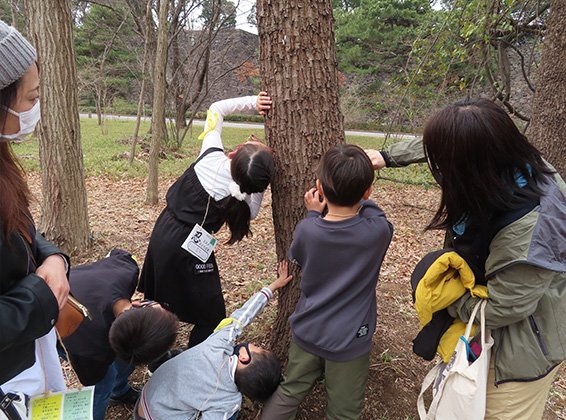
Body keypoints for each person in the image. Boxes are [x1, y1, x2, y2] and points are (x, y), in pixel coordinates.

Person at [375, 99, 566, 419]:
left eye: (445, 165)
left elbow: (507, 307)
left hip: (517, 355)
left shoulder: (527, 231)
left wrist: (447, 302)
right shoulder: (510, 162)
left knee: (488, 409)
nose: (440, 171)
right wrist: (386, 157)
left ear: (469, 166)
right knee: (461, 394)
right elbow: (447, 143)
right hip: (483, 336)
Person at [261, 144, 394, 420]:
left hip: (308, 329)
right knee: (344, 411)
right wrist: (362, 191)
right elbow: (375, 212)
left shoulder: (308, 229)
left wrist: (312, 213)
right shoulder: (377, 232)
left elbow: (295, 254)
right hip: (350, 340)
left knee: (289, 391)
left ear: (319, 187)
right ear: (368, 191)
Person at [138, 93, 274, 348]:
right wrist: (260, 184)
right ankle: (192, 359)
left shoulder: (211, 154)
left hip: (165, 231)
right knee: (210, 317)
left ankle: (158, 356)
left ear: (233, 155)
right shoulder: (246, 197)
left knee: (162, 304)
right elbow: (253, 212)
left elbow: (216, 109)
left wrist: (254, 103)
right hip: (192, 247)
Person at [0, 18, 70, 407]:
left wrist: (53, 257)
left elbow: (20, 229)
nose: (35, 109)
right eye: (30, 97)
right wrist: (40, 296)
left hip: (23, 356)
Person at [134, 261, 293, 420]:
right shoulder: (228, 401)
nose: (254, 345)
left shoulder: (218, 344)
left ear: (244, 358)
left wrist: (273, 286)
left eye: (258, 348)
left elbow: (244, 315)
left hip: (147, 397)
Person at [60, 249, 179, 420]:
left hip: (90, 323)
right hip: (59, 327)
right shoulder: (86, 347)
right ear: (138, 304)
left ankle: (120, 391)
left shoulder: (127, 271)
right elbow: (89, 377)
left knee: (120, 364)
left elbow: (117, 253)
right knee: (102, 384)